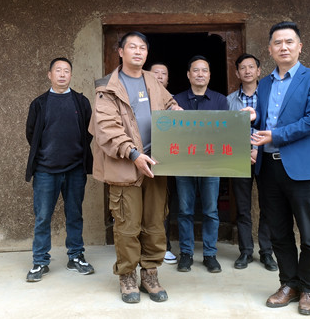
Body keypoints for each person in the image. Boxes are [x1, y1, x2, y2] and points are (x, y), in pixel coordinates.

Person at [89, 32, 180, 304]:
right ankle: (127, 275)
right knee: (127, 226)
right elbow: (107, 129)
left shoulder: (152, 81)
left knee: (155, 223)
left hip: (156, 164)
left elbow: (170, 104)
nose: (138, 51)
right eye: (132, 47)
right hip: (126, 166)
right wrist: (133, 153)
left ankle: (150, 273)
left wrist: (177, 113)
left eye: (143, 48)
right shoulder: (107, 88)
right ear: (121, 51)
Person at [250, 22, 310, 316]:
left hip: (301, 168)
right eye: (277, 42)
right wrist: (254, 118)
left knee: (309, 232)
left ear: (300, 47)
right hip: (268, 169)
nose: (283, 47)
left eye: (289, 42)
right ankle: (289, 284)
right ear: (270, 49)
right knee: (279, 232)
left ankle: (309, 288)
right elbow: (264, 122)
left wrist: (275, 135)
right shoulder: (265, 84)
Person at [24, 57, 94, 282]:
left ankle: (76, 256)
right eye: (58, 70)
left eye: (66, 71)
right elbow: (31, 134)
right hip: (45, 170)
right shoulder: (39, 103)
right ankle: (40, 261)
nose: (62, 74)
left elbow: (88, 131)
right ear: (50, 75)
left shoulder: (81, 102)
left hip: (75, 169)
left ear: (71, 75)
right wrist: (47, 156)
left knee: (74, 215)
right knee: (43, 216)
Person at [173, 56, 229, 274]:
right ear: (188, 75)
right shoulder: (176, 100)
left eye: (204, 70)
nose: (200, 74)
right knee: (185, 210)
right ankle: (186, 254)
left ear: (209, 75)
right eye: (195, 70)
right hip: (183, 163)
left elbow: (226, 132)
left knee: (211, 211)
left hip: (211, 163)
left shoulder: (220, 100)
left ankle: (210, 254)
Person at [227, 53, 278, 272]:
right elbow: (225, 131)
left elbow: (274, 125)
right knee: (242, 207)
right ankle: (246, 251)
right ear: (237, 73)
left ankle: (266, 251)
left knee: (268, 206)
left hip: (265, 157)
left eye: (251, 67)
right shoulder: (229, 100)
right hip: (240, 157)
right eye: (242, 68)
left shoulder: (269, 95)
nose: (247, 71)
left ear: (258, 71)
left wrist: (257, 149)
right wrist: (243, 151)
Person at [149, 62, 178, 265]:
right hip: (142, 159)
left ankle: (164, 246)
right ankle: (143, 247)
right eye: (155, 73)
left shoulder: (174, 101)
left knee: (164, 205)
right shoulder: (139, 97)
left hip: (168, 161)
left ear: (168, 79)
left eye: (163, 73)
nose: (159, 76)